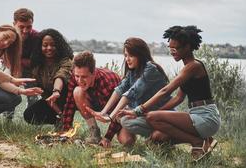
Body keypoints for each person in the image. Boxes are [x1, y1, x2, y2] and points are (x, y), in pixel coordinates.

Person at [119, 26, 221, 162]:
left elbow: (166, 90)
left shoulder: (194, 66)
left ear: (188, 47)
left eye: (176, 48)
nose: (172, 52)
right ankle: (205, 140)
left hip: (206, 117)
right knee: (157, 135)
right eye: (170, 48)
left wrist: (139, 110)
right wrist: (159, 113)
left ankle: (197, 142)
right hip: (197, 115)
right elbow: (178, 98)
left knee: (152, 117)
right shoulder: (187, 68)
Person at [86, 37, 171, 147]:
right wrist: (104, 112)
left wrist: (110, 117)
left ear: (140, 55)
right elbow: (120, 89)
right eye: (126, 55)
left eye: (131, 55)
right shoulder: (133, 71)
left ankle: (161, 136)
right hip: (145, 114)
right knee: (125, 130)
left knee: (125, 120)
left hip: (161, 116)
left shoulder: (151, 69)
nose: (127, 59)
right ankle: (155, 138)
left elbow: (131, 93)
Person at [61, 51, 121, 144]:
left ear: (94, 73)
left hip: (116, 110)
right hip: (95, 103)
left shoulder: (107, 82)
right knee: (77, 91)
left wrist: (107, 138)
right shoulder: (75, 76)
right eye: (77, 76)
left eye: (84, 77)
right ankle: (94, 134)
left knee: (126, 140)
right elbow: (70, 104)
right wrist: (66, 130)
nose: (80, 80)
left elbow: (118, 111)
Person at [23, 29, 73, 126]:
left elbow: (61, 75)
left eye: (53, 45)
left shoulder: (65, 60)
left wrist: (56, 91)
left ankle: (68, 119)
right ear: (40, 47)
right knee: (29, 115)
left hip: (68, 98)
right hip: (52, 99)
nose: (49, 48)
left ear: (58, 46)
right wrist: (59, 113)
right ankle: (59, 121)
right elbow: (46, 95)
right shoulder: (37, 66)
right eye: (45, 45)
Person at [3, 8, 40, 119]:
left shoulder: (37, 37)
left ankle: (32, 120)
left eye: (29, 27)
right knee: (9, 89)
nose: (25, 30)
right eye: (21, 27)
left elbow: (36, 61)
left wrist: (20, 61)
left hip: (31, 69)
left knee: (33, 93)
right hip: (12, 67)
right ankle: (7, 118)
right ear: (14, 24)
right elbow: (6, 59)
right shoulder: (8, 35)